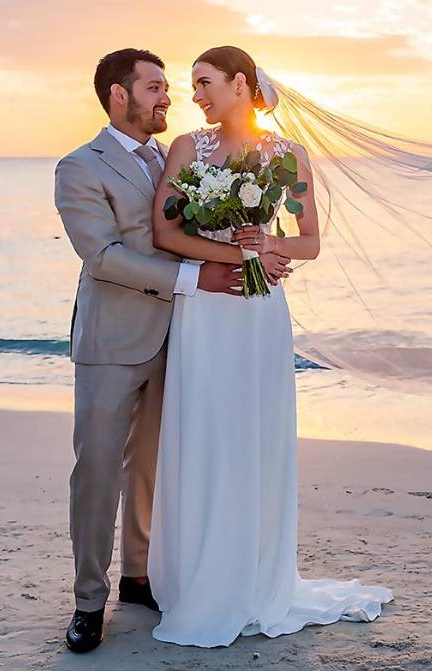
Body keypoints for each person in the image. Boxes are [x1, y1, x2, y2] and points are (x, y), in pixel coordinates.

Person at [146, 45, 393, 648]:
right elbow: (165, 230)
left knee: (255, 436)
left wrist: (270, 242)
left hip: (258, 314)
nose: (196, 95)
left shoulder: (288, 155)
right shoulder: (187, 149)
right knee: (205, 433)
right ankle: (200, 577)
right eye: (192, 85)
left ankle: (257, 578)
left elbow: (308, 242)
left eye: (204, 82)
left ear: (239, 83)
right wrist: (242, 254)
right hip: (207, 310)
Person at [53, 48, 292, 653]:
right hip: (115, 338)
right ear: (119, 96)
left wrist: (256, 252)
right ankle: (88, 600)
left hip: (187, 336)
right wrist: (197, 279)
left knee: (155, 467)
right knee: (99, 470)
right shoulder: (80, 167)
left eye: (170, 88)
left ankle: (139, 576)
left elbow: (194, 233)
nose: (168, 98)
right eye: (156, 87)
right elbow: (103, 256)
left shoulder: (175, 155)